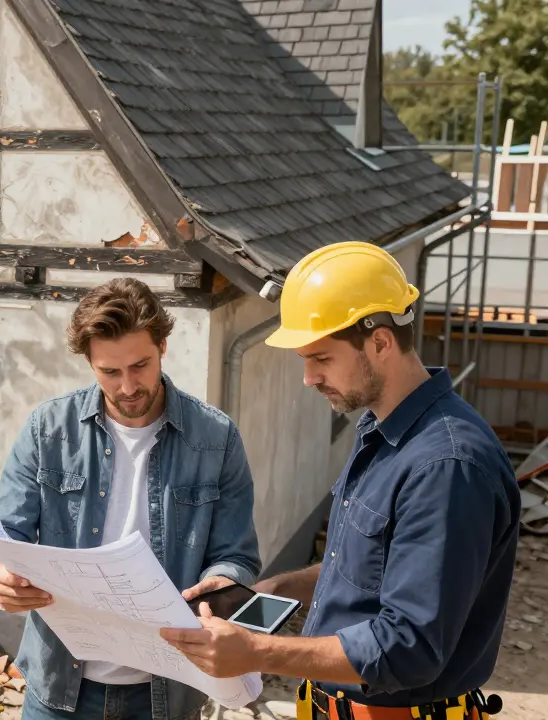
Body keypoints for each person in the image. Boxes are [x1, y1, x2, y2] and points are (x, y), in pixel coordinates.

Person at [160, 242, 519, 720]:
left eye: (322, 358)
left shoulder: (447, 466)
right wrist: (268, 592)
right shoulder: (381, 429)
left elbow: (408, 649)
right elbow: (364, 570)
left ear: (381, 342)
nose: (308, 378)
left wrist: (257, 651)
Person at [0, 278, 262, 720]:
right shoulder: (48, 430)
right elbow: (0, 537)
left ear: (163, 346)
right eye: (110, 371)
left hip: (168, 691)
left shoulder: (216, 439)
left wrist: (223, 583)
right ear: (89, 362)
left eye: (140, 366)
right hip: (59, 687)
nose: (128, 386)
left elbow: (236, 554)